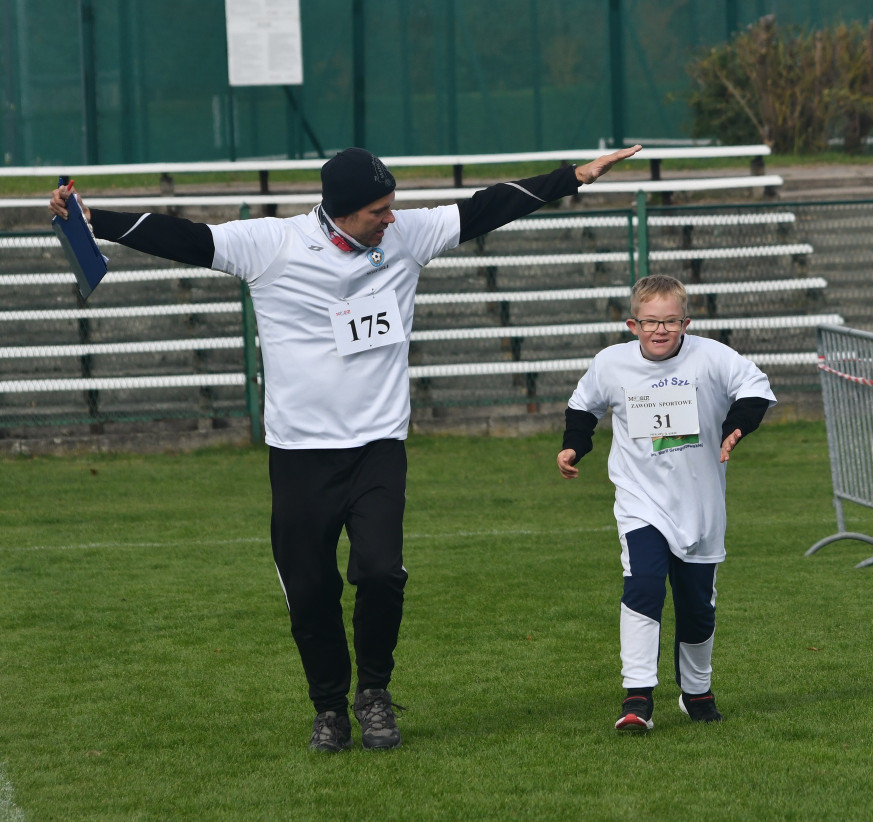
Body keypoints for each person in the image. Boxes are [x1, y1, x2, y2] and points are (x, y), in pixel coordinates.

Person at [50, 143, 642, 752]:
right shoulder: (272, 244)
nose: (391, 218)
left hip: (378, 447)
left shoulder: (405, 235)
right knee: (310, 591)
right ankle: (329, 708)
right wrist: (95, 220)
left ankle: (374, 694)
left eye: (392, 206)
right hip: (300, 454)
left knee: (382, 572)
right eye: (378, 211)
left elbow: (487, 208)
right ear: (340, 211)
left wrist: (573, 177)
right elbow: (186, 238)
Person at [555, 273, 775, 731]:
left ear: (685, 323)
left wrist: (735, 426)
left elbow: (756, 388)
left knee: (697, 607)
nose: (660, 330)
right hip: (641, 502)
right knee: (643, 588)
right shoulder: (611, 363)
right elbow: (583, 407)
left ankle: (697, 693)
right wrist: (573, 446)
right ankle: (637, 698)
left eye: (671, 321)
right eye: (651, 322)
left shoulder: (712, 356)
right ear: (633, 325)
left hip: (700, 506)